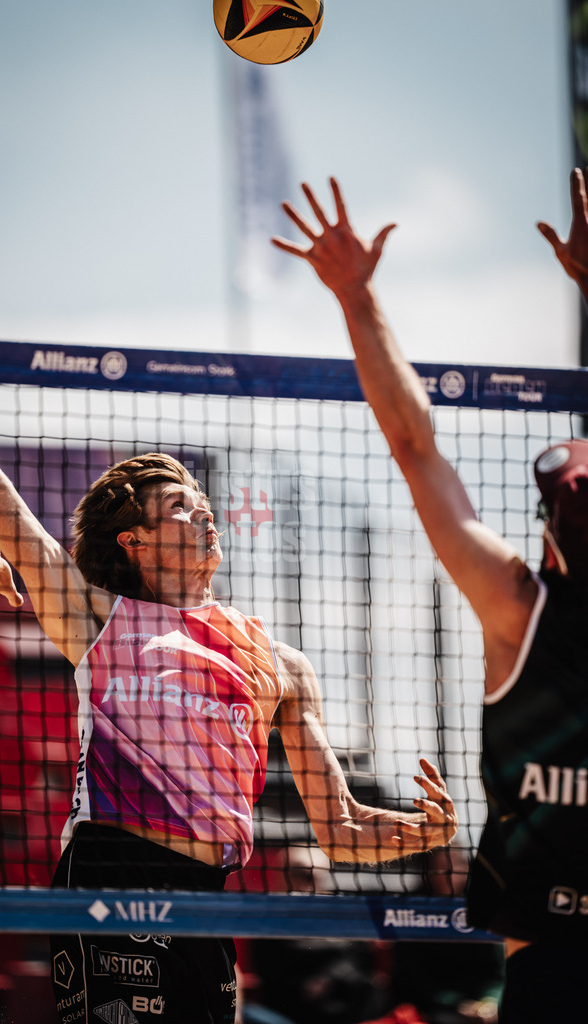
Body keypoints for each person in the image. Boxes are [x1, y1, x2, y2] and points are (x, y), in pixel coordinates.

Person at [0, 452, 457, 1024]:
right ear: (133, 541)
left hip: (206, 896)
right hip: (114, 876)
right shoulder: (99, 616)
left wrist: (424, 835)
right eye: (178, 507)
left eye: (203, 505)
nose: (204, 514)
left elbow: (342, 833)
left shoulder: (280, 664)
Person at [272, 168, 588, 1024]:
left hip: (551, 967)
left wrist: (355, 298)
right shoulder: (522, 612)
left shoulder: (517, 607)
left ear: (549, 526)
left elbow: (414, 449)